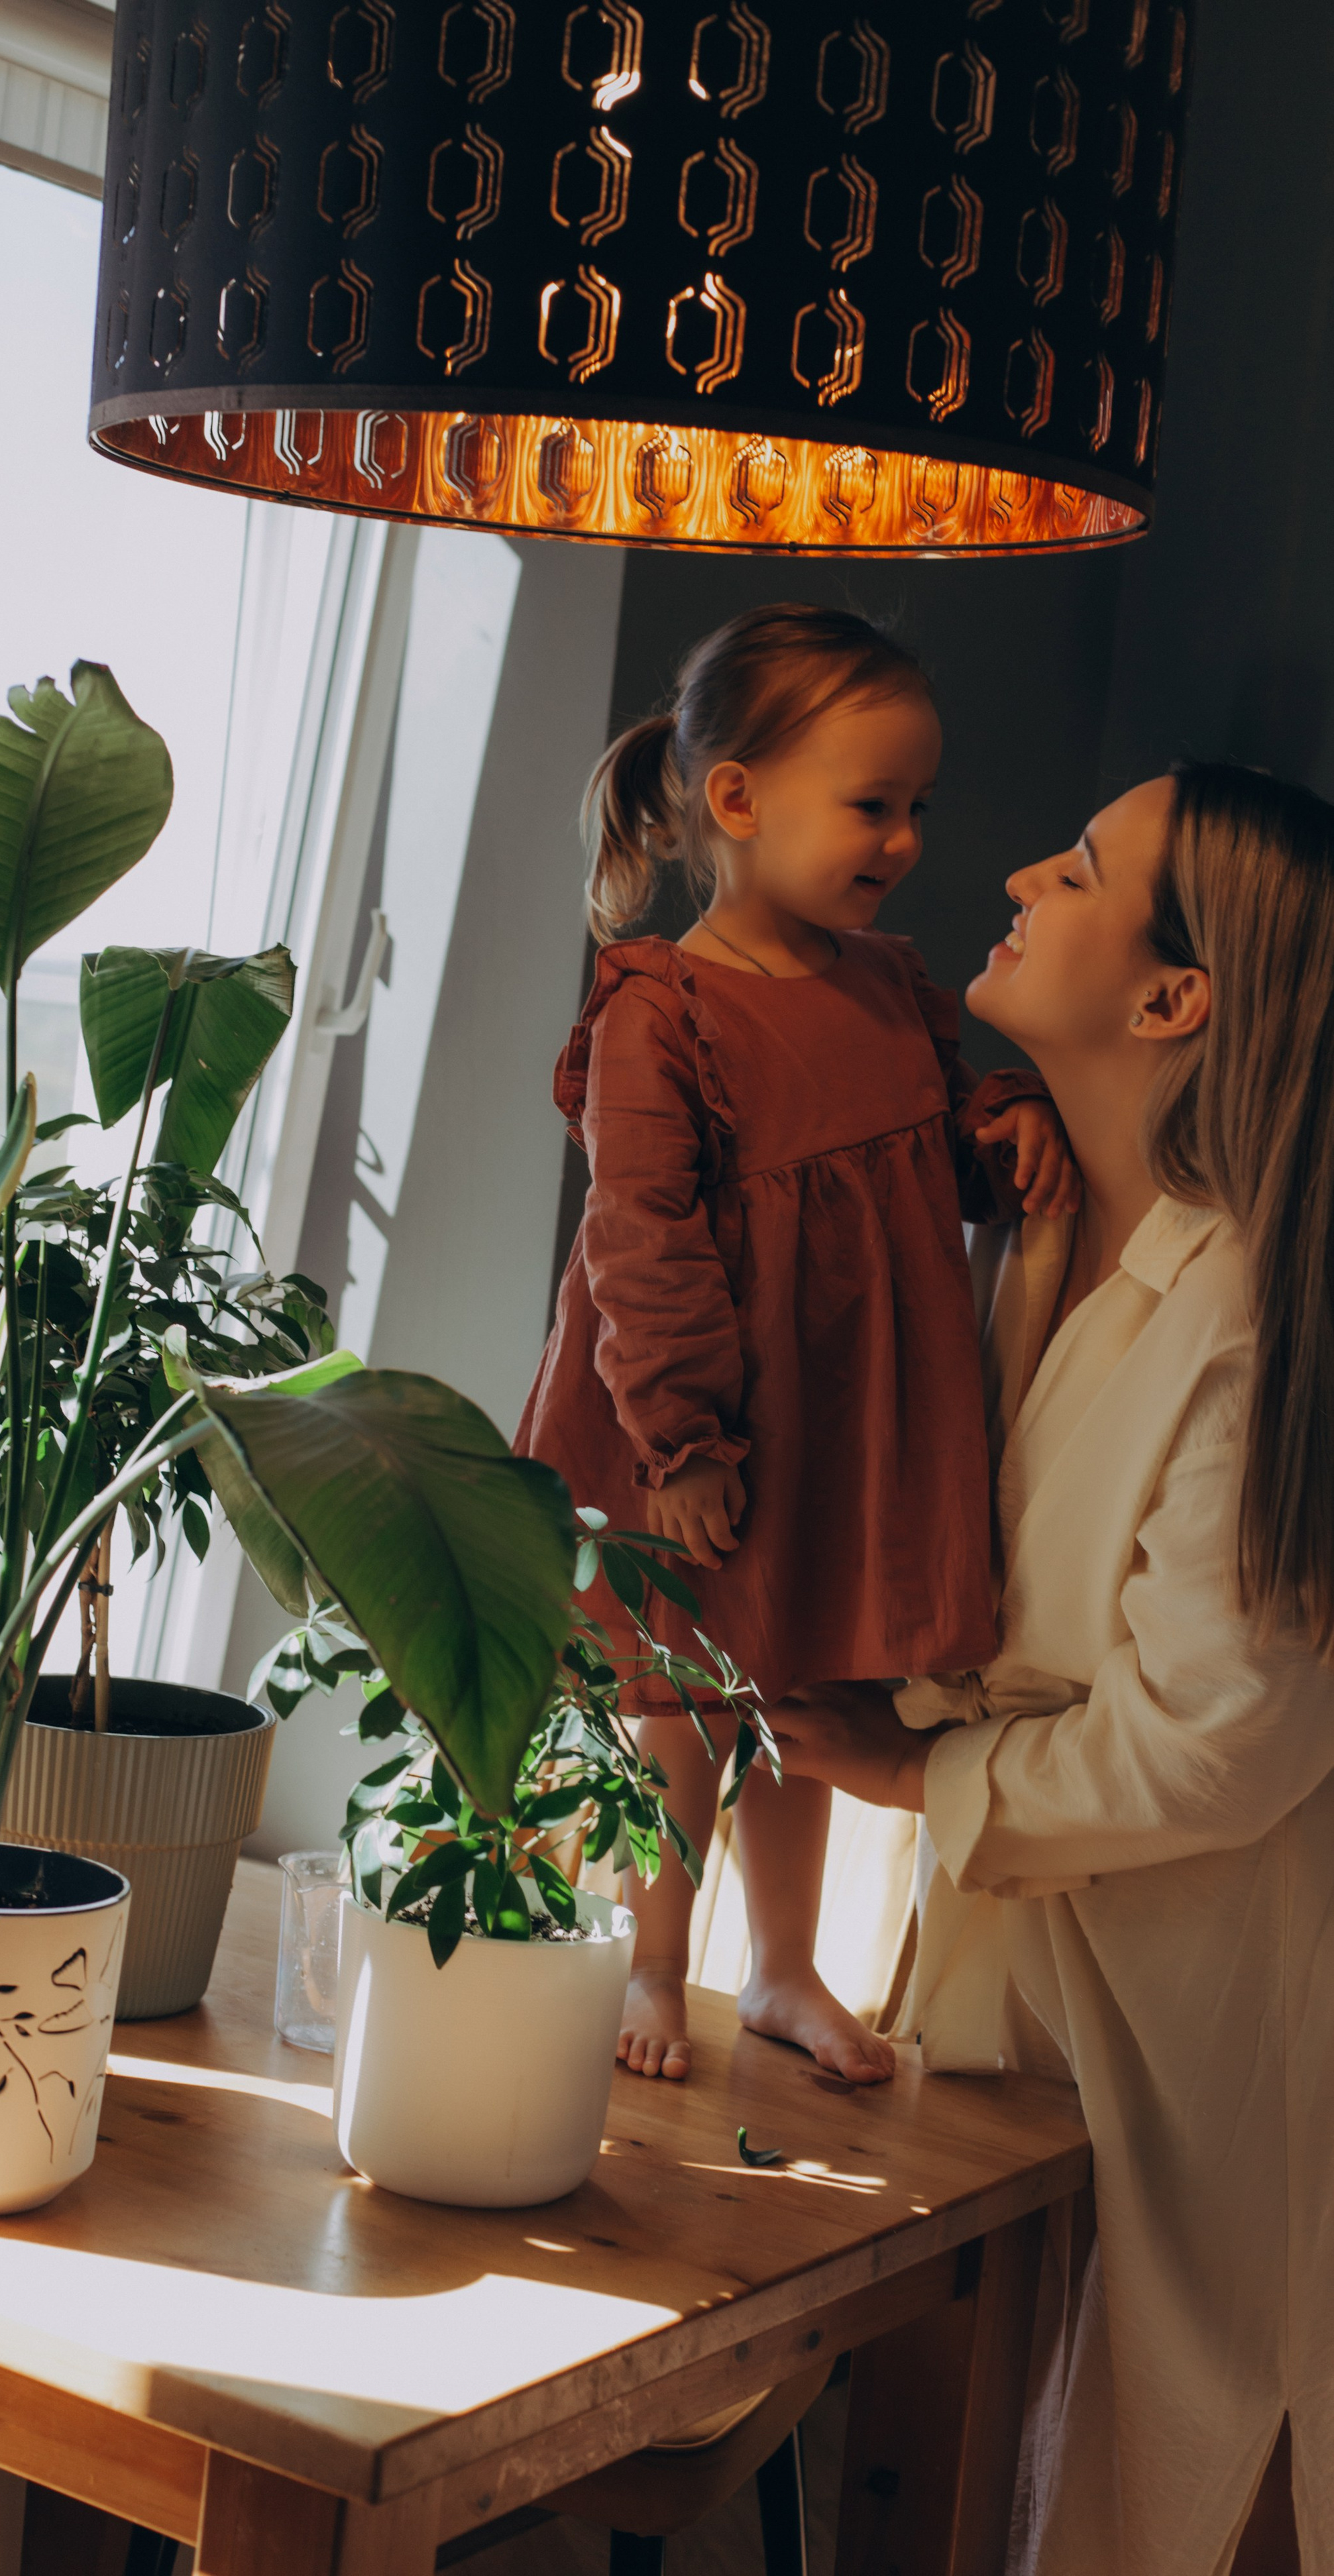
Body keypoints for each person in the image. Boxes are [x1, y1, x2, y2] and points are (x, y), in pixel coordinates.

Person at [768, 761, 1334, 2575]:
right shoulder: (1030, 1233)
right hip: (998, 1999)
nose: (1019, 869)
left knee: (1133, 2481)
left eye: (1081, 870)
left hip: (1182, 2025)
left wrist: (903, 1773)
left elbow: (1216, 1749)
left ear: (1176, 997)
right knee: (938, 2480)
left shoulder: (1256, 1314)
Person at [515, 604, 1078, 2085]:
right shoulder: (660, 1007)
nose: (898, 839)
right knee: (692, 1692)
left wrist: (999, 1126)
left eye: (913, 809)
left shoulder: (889, 982)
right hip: (707, 1413)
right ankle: (653, 1958)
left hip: (855, 1415)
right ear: (737, 799)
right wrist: (682, 1440)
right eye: (868, 804)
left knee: (811, 1691)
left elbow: (927, 1155)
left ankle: (778, 1968)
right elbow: (636, 1237)